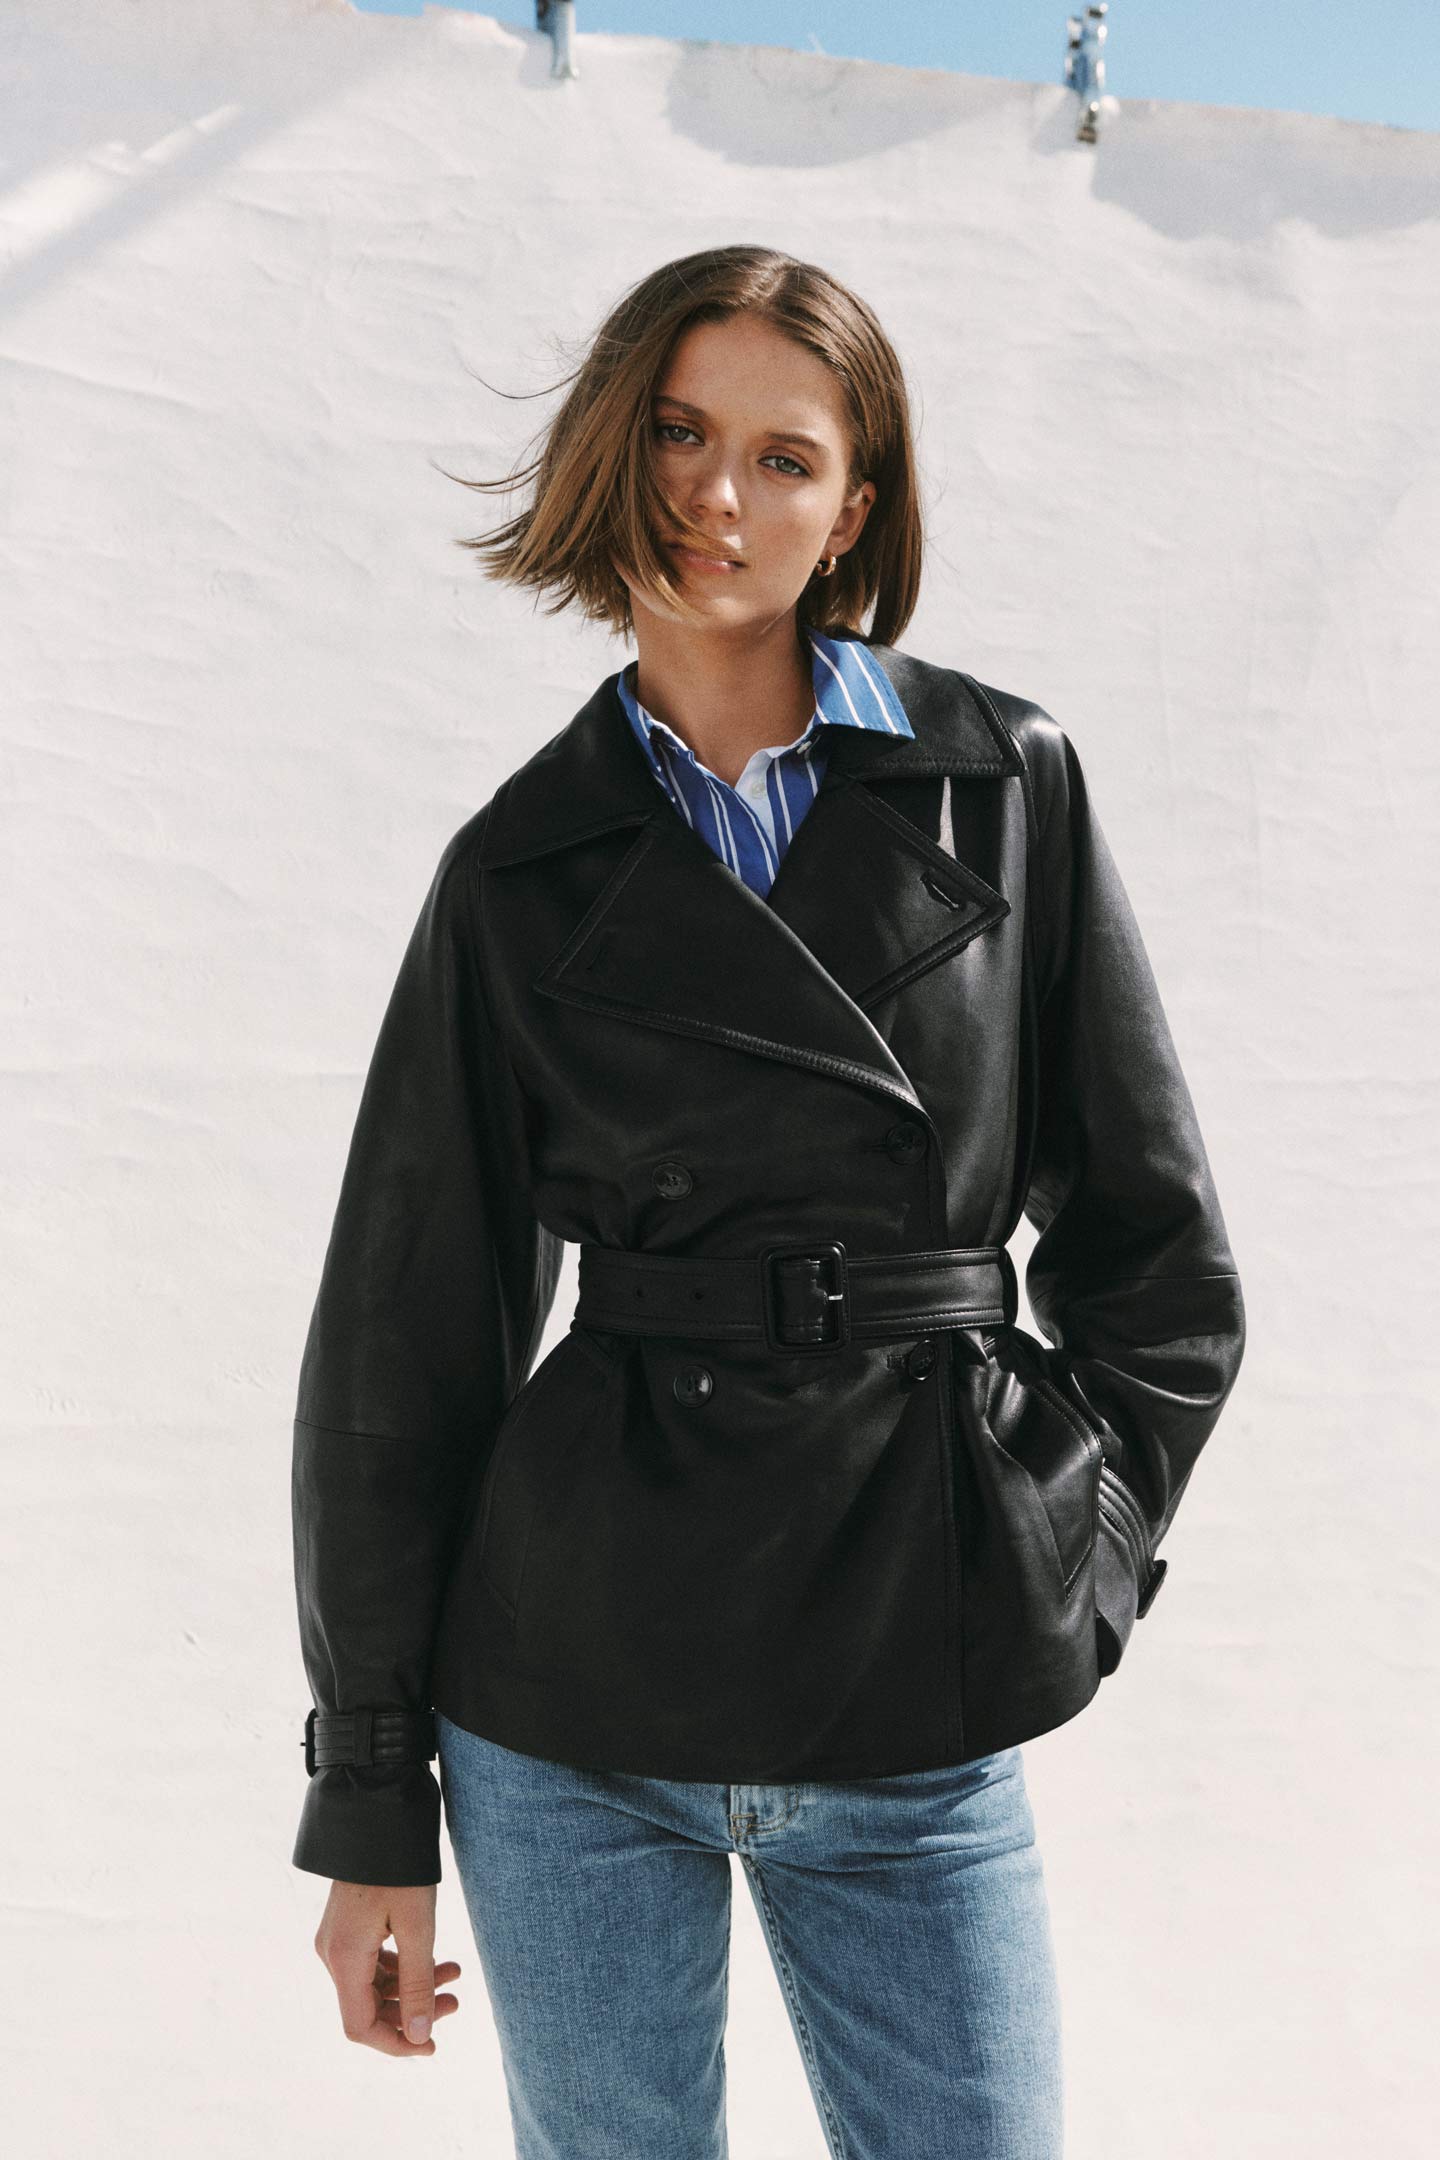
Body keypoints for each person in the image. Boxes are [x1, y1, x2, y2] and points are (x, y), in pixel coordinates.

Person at [290, 245, 1246, 2157]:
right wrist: (375, 1804)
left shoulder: (1002, 785)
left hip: (916, 1663)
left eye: (784, 457)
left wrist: (1065, 1540)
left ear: (853, 508)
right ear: (606, 447)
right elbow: (404, 1352)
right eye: (675, 432)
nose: (718, 497)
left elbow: (1158, 1260)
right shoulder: (519, 870)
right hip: (565, 1702)